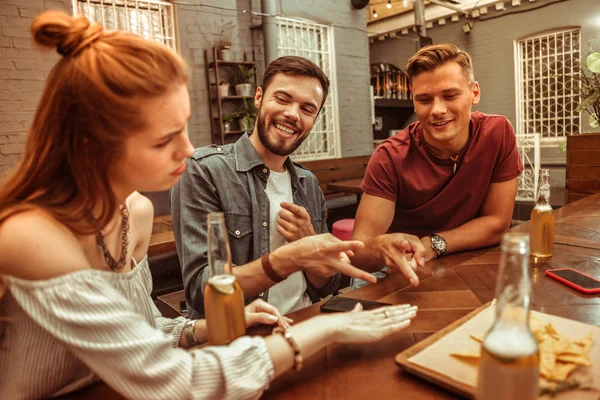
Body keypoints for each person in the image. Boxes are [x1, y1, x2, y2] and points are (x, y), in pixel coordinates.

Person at [0, 11, 418, 399]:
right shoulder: (29, 236)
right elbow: (174, 380)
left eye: (184, 128)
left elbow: (142, 332)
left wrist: (203, 329)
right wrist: (322, 329)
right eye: (165, 139)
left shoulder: (133, 213)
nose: (187, 149)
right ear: (91, 145)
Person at [171, 56, 376, 319]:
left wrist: (309, 241)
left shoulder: (307, 182)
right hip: (243, 337)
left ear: (314, 119)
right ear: (259, 97)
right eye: (282, 99)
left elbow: (327, 285)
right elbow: (202, 292)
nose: (292, 114)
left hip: (308, 323)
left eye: (307, 108)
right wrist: (291, 257)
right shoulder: (204, 170)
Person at [351, 44, 523, 287]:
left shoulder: (497, 133)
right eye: (424, 99)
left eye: (450, 96)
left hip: (467, 258)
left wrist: (434, 243)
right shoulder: (389, 156)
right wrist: (380, 247)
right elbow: (359, 254)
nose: (437, 110)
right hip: (403, 270)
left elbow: (497, 223)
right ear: (413, 100)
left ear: (474, 93)